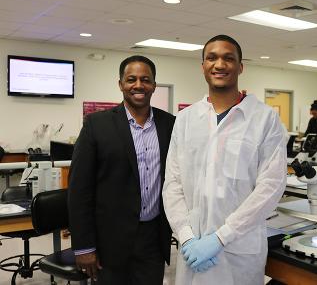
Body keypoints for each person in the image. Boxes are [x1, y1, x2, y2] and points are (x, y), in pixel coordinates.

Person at [162, 35, 287, 285]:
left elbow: (270, 187)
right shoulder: (186, 120)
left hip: (239, 251)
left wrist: (221, 237)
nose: (220, 64)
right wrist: (186, 237)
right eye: (212, 58)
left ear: (240, 67)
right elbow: (172, 184)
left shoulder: (264, 119)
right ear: (203, 66)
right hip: (193, 249)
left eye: (228, 58)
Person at [68, 55, 175, 285]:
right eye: (131, 79)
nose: (138, 85)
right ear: (121, 84)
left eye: (145, 79)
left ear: (154, 85)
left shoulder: (170, 125)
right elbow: (79, 191)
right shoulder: (96, 125)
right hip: (109, 241)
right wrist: (84, 246)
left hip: (153, 238)